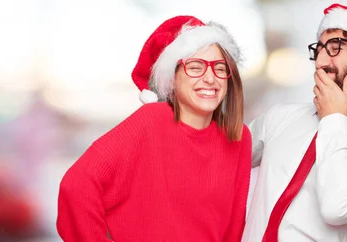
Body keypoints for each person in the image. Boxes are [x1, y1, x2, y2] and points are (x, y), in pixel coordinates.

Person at [57, 15, 251, 242]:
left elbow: (235, 228)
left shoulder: (238, 136)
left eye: (220, 68)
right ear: (172, 78)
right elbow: (77, 188)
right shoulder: (151, 121)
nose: (210, 78)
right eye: (195, 67)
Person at [243, 4, 347, 242]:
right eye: (319, 50)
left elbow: (337, 207)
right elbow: (222, 156)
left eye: (335, 48)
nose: (320, 61)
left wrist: (335, 119)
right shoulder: (279, 117)